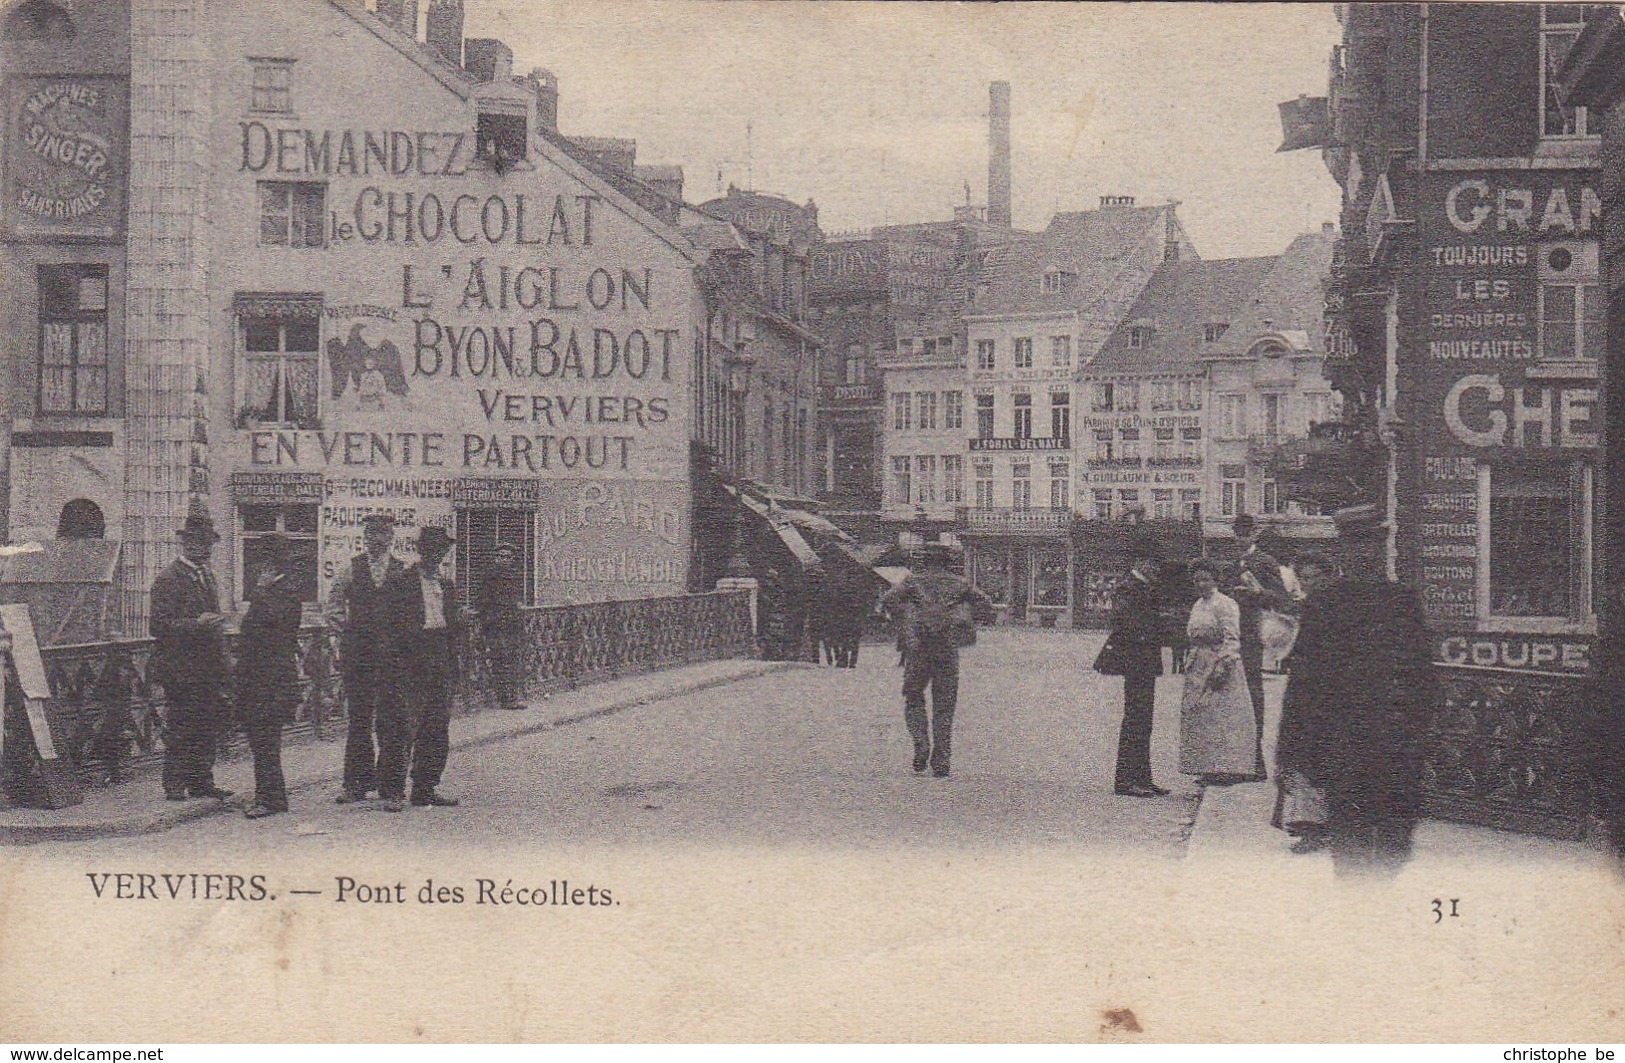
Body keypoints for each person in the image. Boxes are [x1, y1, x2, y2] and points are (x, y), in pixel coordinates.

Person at [1273, 512, 1434, 876]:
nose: (1364, 555)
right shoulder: (1323, 605)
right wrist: (1289, 753)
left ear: (1382, 551)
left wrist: (1421, 738)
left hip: (1395, 750)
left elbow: (1423, 679)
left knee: (1393, 853)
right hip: (1344, 750)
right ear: (1343, 552)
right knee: (1351, 855)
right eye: (1355, 546)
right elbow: (1304, 683)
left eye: (1371, 546)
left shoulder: (1402, 602)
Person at [879, 542, 990, 778]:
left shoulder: (913, 581)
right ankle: (941, 758)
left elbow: (889, 599)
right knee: (945, 705)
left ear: (924, 561)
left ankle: (920, 742)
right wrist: (965, 621)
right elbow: (985, 604)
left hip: (918, 647)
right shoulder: (959, 583)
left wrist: (908, 618)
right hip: (947, 649)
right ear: (947, 561)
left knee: (913, 696)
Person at [379, 525, 463, 812]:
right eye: (431, 551)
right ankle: (392, 791)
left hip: (439, 658)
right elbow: (389, 629)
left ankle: (425, 788)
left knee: (436, 727)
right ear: (420, 551)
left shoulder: (446, 585)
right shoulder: (401, 584)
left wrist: (455, 665)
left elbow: (453, 628)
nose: (435, 556)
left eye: (440, 551)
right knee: (401, 726)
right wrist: (396, 666)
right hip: (410, 662)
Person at [150, 511, 232, 802]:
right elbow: (158, 626)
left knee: (206, 725)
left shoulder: (207, 576)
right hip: (181, 669)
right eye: (199, 543)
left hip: (207, 668)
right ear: (186, 544)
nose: (205, 549)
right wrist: (196, 624)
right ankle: (174, 783)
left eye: (208, 543)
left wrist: (224, 665)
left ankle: (201, 782)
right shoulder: (168, 578)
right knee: (181, 726)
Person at [326, 513, 404, 804]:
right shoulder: (351, 569)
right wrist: (342, 635)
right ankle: (356, 784)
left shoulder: (400, 571)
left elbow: (410, 614)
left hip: (392, 659)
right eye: (371, 534)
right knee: (359, 719)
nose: (376, 539)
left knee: (390, 720)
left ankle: (391, 788)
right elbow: (333, 604)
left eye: (382, 534)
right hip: (359, 657)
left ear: (391, 538)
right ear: (365, 537)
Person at [1270, 550, 1337, 853]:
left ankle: (1317, 828)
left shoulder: (1330, 607)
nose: (1308, 583)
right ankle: (1311, 825)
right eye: (1303, 578)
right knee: (1307, 756)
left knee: (1316, 757)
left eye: (1313, 576)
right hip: (1307, 687)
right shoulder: (1310, 606)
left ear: (1327, 575)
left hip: (1325, 689)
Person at [235, 534, 304, 819]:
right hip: (259, 676)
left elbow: (277, 625)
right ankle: (271, 796)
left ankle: (269, 798)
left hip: (272, 678)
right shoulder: (275, 590)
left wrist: (260, 592)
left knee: (265, 739)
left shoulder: (285, 590)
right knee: (260, 738)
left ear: (270, 564)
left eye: (261, 561)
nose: (255, 569)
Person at [1177, 558, 1260, 785]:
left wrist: (1223, 664)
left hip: (1219, 663)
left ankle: (1225, 768)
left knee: (1221, 716)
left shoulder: (1225, 603)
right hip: (1198, 664)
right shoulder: (1197, 605)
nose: (1201, 584)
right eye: (1196, 580)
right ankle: (1205, 766)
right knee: (1201, 715)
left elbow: (1231, 637)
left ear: (1215, 580)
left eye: (1205, 579)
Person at [1226, 513, 1289, 780]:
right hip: (1231, 633)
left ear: (1253, 535)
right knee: (1231, 696)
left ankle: (1255, 764)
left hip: (1251, 634)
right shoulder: (1231, 564)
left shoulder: (1265, 562)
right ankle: (1232, 761)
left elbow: (1282, 598)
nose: (1241, 538)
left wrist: (1257, 593)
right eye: (1237, 533)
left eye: (1246, 533)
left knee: (1252, 693)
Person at [1108, 541, 1169, 798]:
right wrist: (1155, 627)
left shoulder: (1145, 588)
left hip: (1145, 661)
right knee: (1135, 719)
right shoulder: (1126, 588)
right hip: (1135, 661)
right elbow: (1125, 623)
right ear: (1139, 563)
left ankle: (1143, 778)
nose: (1156, 569)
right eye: (1152, 563)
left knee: (1145, 720)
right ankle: (1125, 781)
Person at [476, 539, 527, 710]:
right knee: (501, 659)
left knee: (512, 659)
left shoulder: (513, 576)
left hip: (511, 625)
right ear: (495, 558)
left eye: (508, 557)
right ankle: (505, 698)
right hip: (496, 625)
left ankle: (512, 696)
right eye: (501, 556)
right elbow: (482, 601)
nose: (504, 560)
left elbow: (515, 601)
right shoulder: (489, 576)